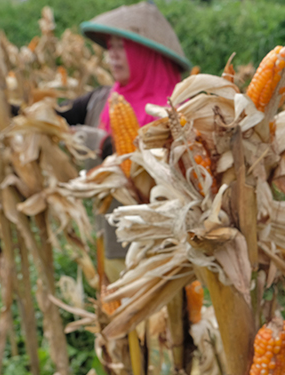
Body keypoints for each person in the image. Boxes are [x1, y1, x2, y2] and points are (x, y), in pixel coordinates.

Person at [60, 2, 191, 282]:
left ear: (145, 53)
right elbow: (59, 115)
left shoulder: (180, 112)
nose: (111, 57)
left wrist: (107, 145)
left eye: (121, 48)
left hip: (163, 253)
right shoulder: (104, 98)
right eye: (110, 47)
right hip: (113, 240)